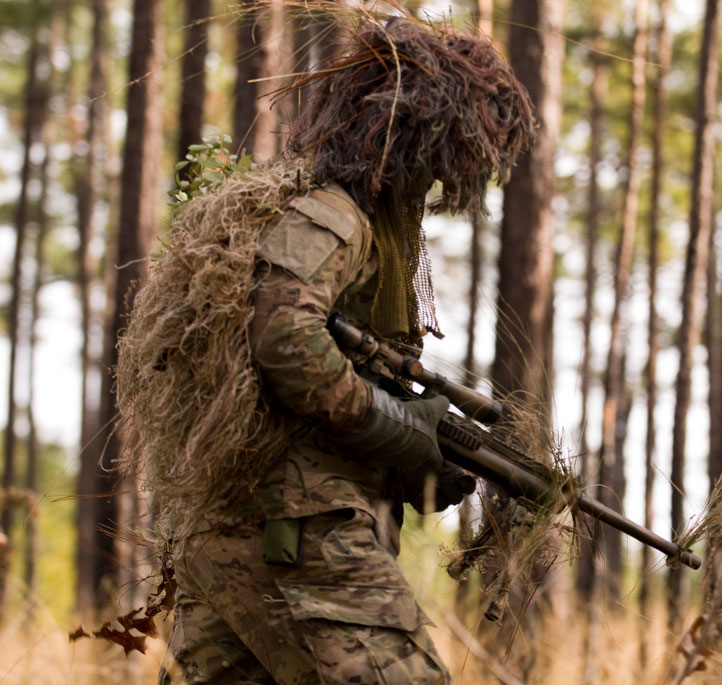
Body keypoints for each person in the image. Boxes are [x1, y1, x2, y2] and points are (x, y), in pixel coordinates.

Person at [118, 16, 534, 684]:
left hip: (243, 531)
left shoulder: (353, 223)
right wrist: (395, 430)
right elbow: (286, 337)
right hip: (296, 533)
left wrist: (415, 464)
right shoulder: (335, 215)